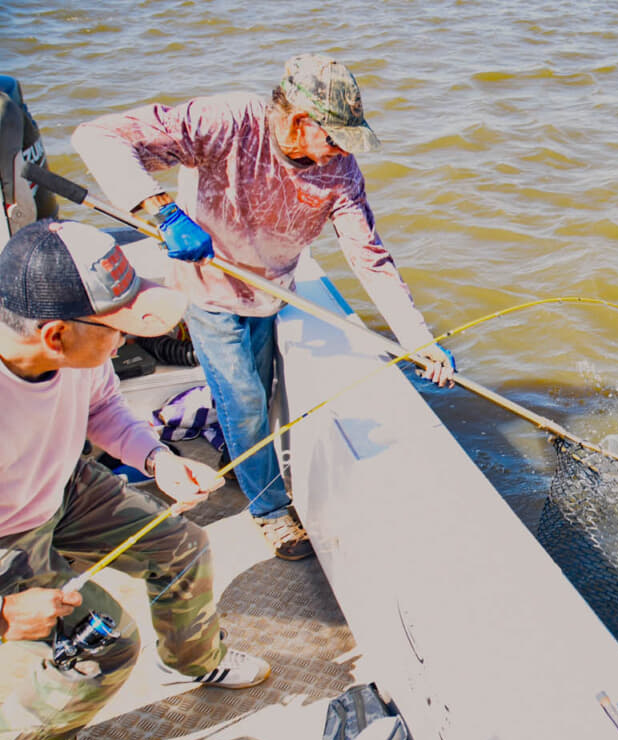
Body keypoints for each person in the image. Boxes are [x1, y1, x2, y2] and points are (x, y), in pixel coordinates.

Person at [72, 54, 456, 561]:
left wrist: (418, 339)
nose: (340, 153)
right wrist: (162, 212)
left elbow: (370, 257)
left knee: (257, 389)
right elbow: (97, 137)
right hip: (207, 285)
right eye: (334, 138)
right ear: (300, 121)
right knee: (244, 400)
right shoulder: (226, 122)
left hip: (271, 291)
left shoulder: (340, 173)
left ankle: (239, 451)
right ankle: (269, 510)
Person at [0, 220, 272, 740]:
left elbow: (102, 409)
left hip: (64, 482)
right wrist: (3, 612)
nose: (126, 339)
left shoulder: (80, 351)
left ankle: (194, 660)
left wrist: (158, 461)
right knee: (105, 647)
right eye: (117, 327)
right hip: (7, 537)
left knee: (184, 547)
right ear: (54, 335)